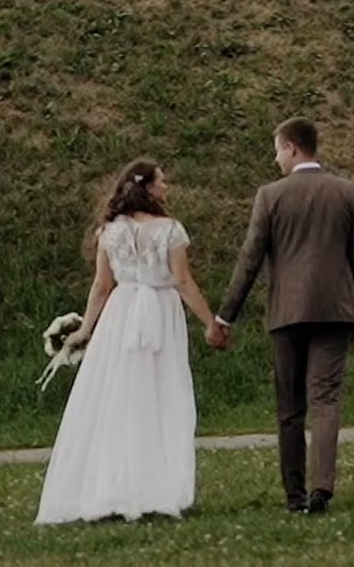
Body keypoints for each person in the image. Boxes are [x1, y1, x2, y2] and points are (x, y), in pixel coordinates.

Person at [35, 158, 221, 525]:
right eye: (162, 182)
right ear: (148, 188)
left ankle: (111, 484)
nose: (166, 188)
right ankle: (157, 485)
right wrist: (210, 322)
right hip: (160, 312)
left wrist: (86, 329)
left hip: (121, 314)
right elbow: (183, 282)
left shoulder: (110, 231)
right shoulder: (170, 230)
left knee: (116, 397)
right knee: (162, 394)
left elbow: (102, 286)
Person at [209, 117, 354, 516]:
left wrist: (226, 315)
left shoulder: (270, 196)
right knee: (326, 399)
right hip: (336, 311)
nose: (275, 157)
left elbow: (250, 260)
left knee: (290, 408)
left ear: (293, 147)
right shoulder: (349, 193)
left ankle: (294, 496)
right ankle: (322, 489)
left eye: (277, 149)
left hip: (286, 314)